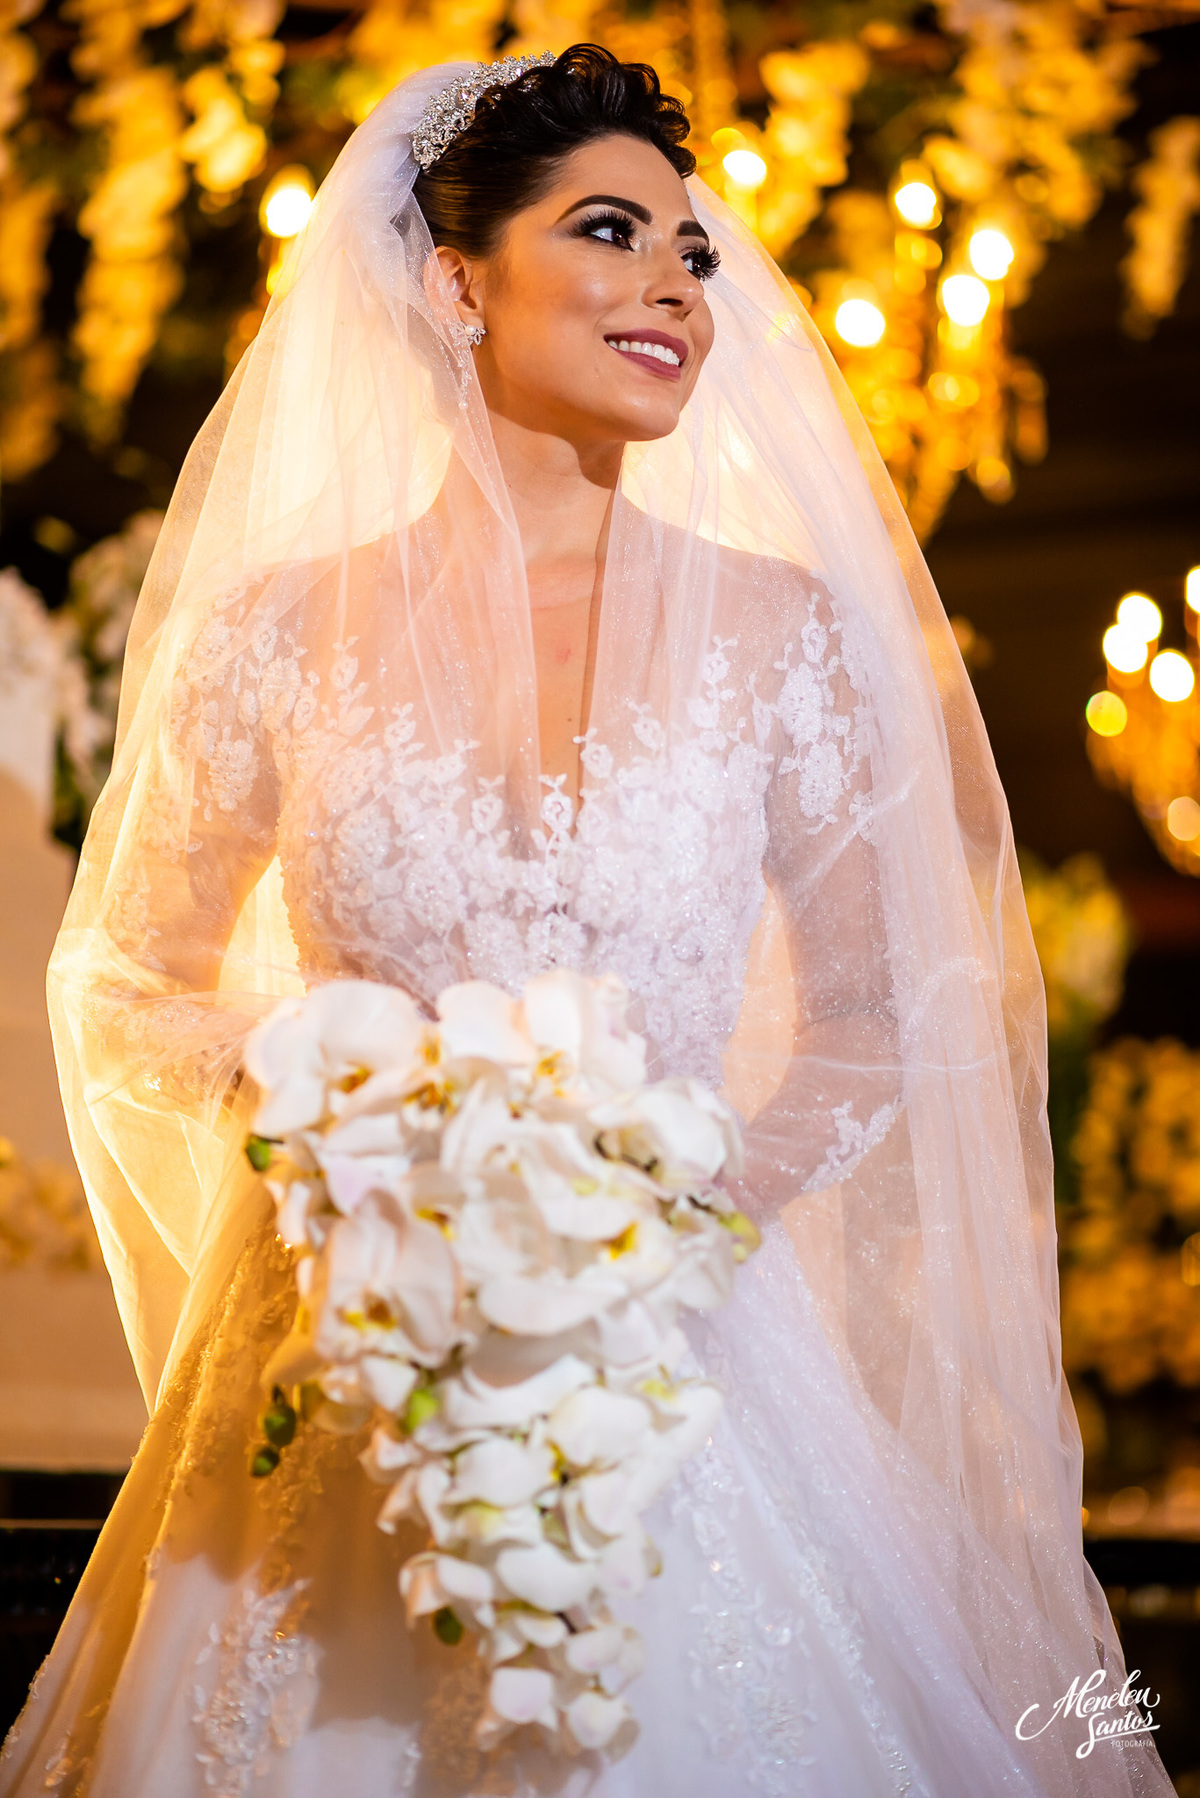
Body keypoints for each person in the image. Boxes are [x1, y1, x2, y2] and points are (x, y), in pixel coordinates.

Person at [0, 46, 1177, 1798]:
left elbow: (883, 1005)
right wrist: (351, 1115)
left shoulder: (781, 632)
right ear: (453, 279)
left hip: (685, 1339)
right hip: (350, 1340)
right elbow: (124, 975)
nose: (673, 291)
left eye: (690, 255)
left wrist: (665, 1224)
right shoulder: (276, 631)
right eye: (611, 232)